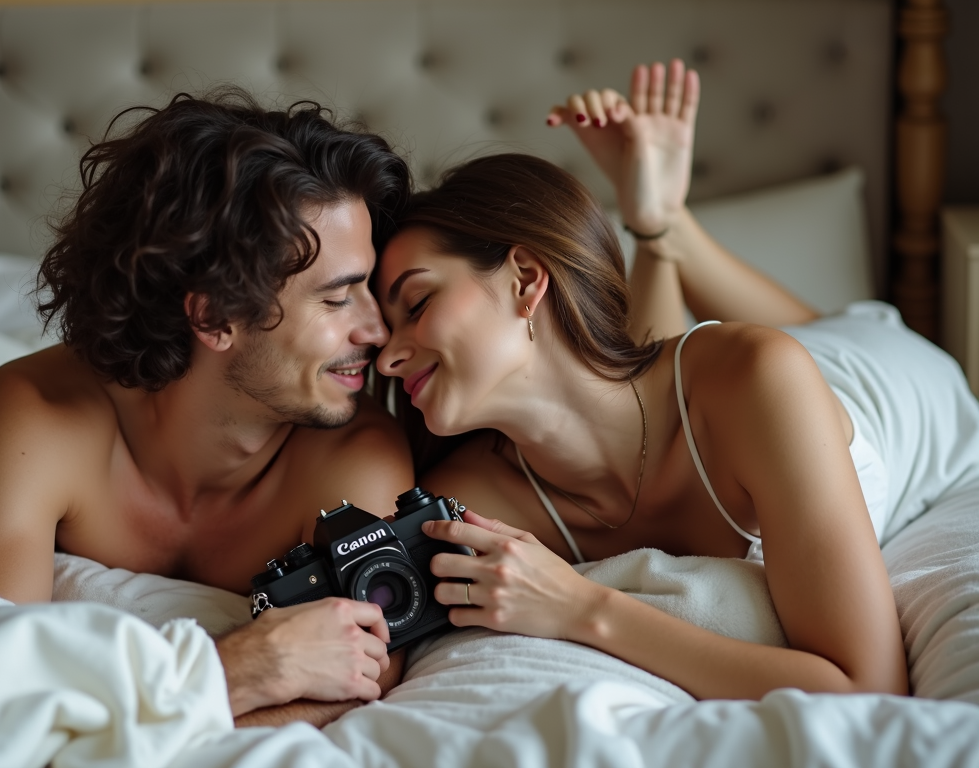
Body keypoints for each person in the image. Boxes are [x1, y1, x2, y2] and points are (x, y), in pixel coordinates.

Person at [373, 60, 979, 699]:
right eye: (382, 336)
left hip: (881, 368)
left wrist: (582, 609)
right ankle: (657, 224)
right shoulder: (467, 494)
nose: (388, 359)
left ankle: (664, 223)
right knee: (631, 367)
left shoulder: (759, 380)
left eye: (415, 306)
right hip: (664, 382)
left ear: (524, 279)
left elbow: (867, 685)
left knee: (750, 350)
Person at [0, 90, 416, 726]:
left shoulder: (354, 457)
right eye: (337, 299)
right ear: (213, 314)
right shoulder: (37, 415)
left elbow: (361, 673)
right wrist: (230, 670)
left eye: (368, 289)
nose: (378, 333)